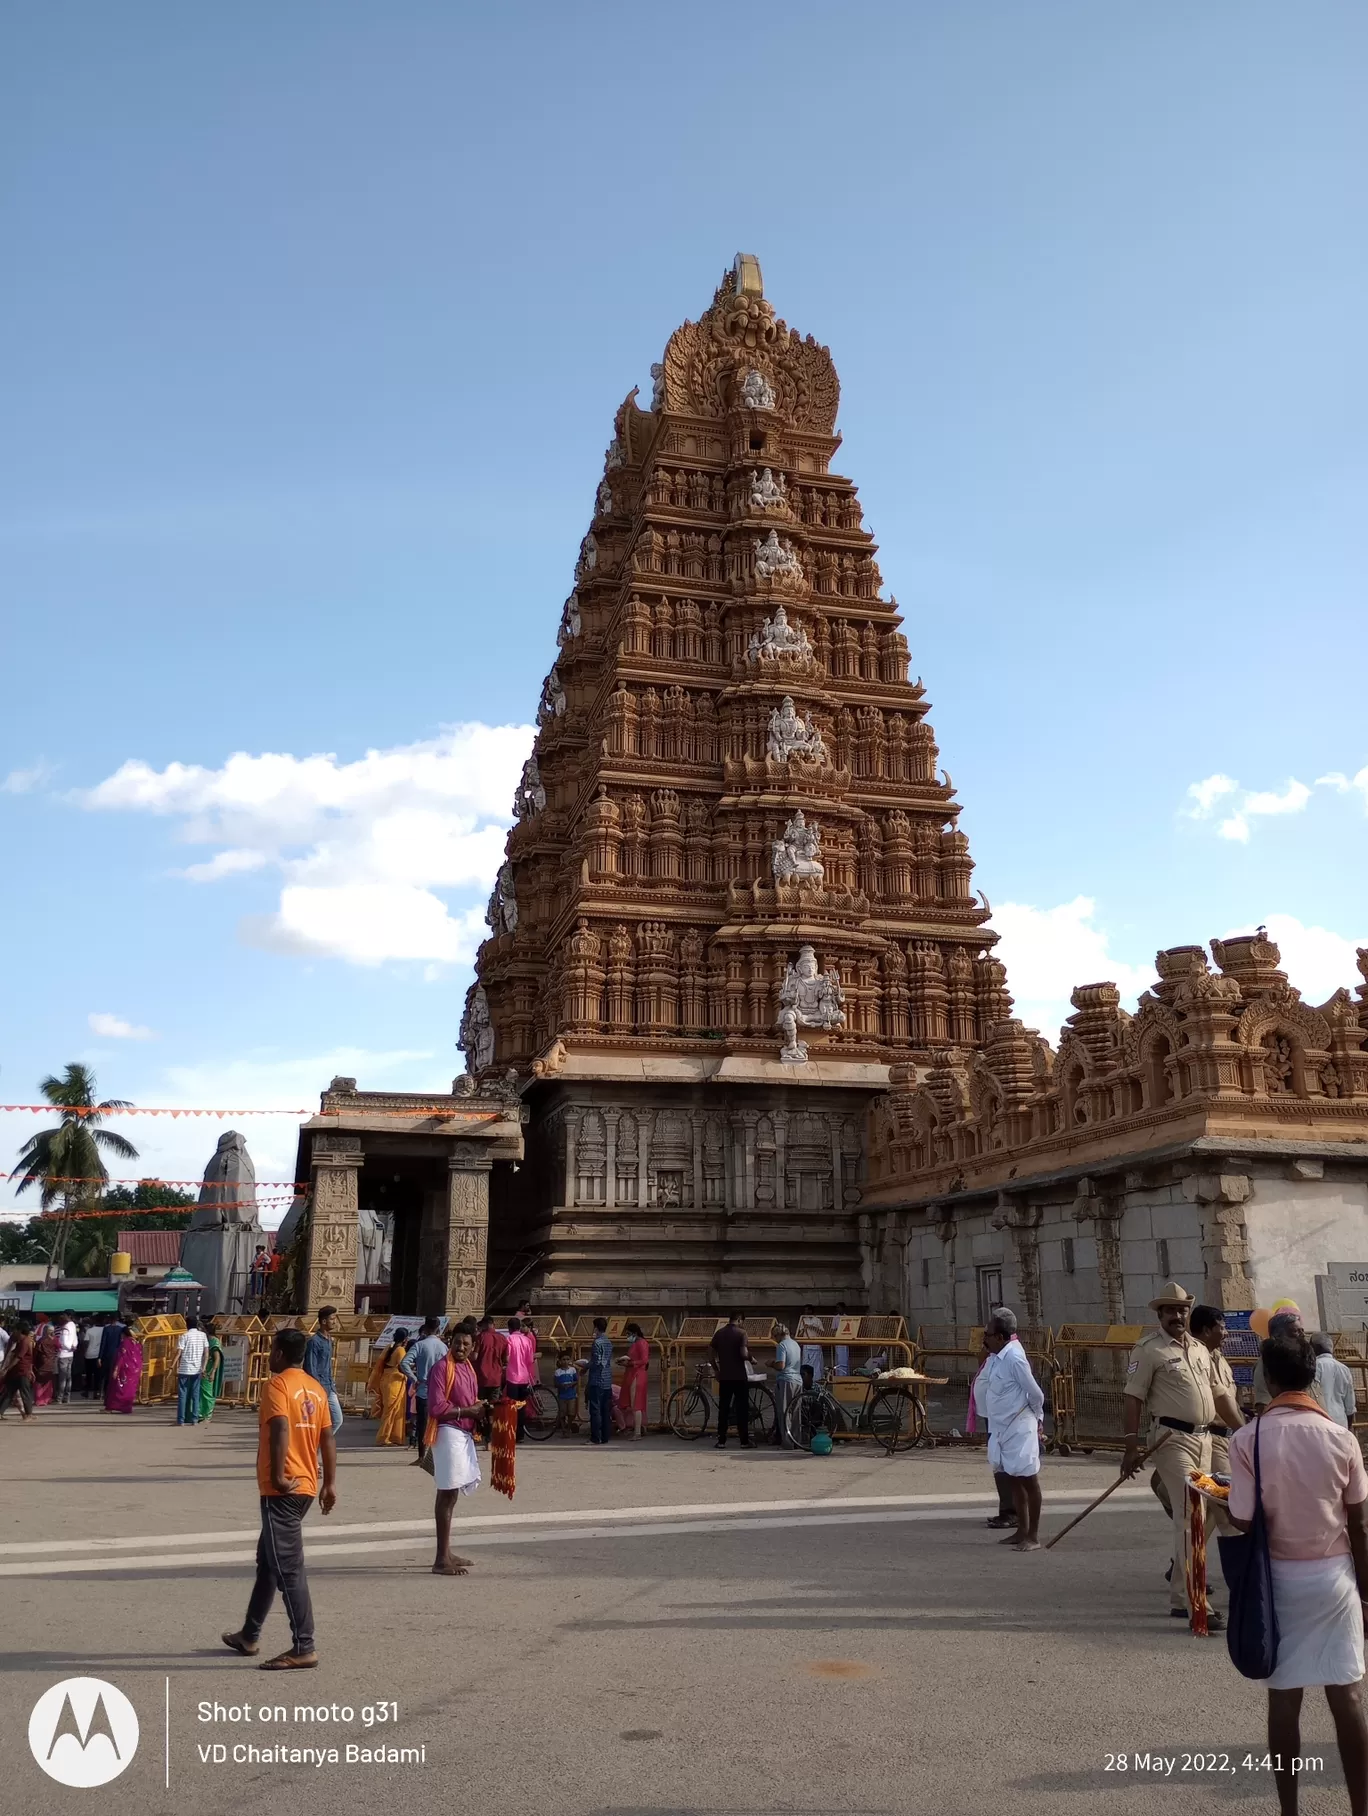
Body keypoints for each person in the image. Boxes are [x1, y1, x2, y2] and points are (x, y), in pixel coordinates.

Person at [1227, 1330, 1368, 1816]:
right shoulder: (1342, 1438)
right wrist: (1366, 1597)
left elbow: (1243, 1519)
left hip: (1277, 1582)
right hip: (1334, 1578)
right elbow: (1361, 1524)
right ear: (1313, 1376)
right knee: (1347, 1696)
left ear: (1267, 1378)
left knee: (1284, 1701)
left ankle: (1290, 1810)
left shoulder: (1248, 1439)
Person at [222, 1326, 336, 1670]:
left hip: (283, 1488)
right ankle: (249, 1634)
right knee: (269, 1561)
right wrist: (330, 1484)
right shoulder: (316, 1390)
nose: (269, 1356)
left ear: (282, 1354)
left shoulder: (277, 1386)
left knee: (288, 1568)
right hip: (306, 1485)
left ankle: (304, 1646)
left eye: (272, 1351)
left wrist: (276, 1476)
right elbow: (327, 1438)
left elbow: (281, 1428)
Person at [1120, 1282, 1224, 1630]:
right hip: (1171, 1439)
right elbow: (1133, 1397)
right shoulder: (1148, 1350)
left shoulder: (1198, 1349)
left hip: (1204, 1440)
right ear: (1159, 1315)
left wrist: (1246, 1430)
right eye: (1171, 1310)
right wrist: (1130, 1446)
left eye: (1182, 1310)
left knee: (1200, 1513)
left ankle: (1181, 1595)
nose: (1177, 1315)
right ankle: (1197, 1603)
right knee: (1192, 1513)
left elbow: (1219, 1396)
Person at [973, 1308, 1046, 1550]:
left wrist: (1036, 1419)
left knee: (1028, 1479)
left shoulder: (1014, 1358)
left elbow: (1035, 1393)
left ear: (1001, 1337)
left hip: (1019, 1424)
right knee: (1012, 1477)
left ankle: (1033, 1536)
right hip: (1001, 1426)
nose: (985, 1338)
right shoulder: (996, 1356)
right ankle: (1021, 1530)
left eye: (988, 1334)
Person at [425, 1321, 485, 1575]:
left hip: (463, 1432)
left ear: (473, 1348)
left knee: (452, 1494)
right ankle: (440, 1559)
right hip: (448, 1432)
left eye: (466, 1344)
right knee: (447, 1493)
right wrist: (468, 1410)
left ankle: (446, 1551)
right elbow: (436, 1408)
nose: (460, 1347)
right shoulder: (441, 1368)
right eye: (457, 1342)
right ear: (450, 1342)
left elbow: (469, 1400)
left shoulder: (468, 1368)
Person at [401, 1317, 448, 1464]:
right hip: (440, 1391)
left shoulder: (420, 1345)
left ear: (425, 1329)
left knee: (422, 1424)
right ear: (439, 1329)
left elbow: (404, 1363)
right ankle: (437, 1456)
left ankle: (422, 1456)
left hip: (423, 1390)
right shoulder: (444, 1347)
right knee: (439, 1424)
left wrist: (414, 1379)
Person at [709, 1313, 752, 1450]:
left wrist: (716, 1370)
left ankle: (721, 1440)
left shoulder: (719, 1333)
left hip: (725, 1376)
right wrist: (751, 1359)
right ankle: (744, 1441)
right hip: (739, 1376)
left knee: (724, 1409)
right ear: (739, 1320)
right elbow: (744, 1354)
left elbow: (710, 1354)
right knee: (742, 1409)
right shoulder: (742, 1333)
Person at [303, 1305, 344, 1436]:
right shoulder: (314, 1342)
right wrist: (316, 1388)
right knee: (316, 1420)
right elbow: (310, 1367)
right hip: (318, 1388)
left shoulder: (329, 1340)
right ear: (324, 1321)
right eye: (332, 1319)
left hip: (329, 1386)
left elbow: (328, 1366)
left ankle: (319, 1445)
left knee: (337, 1420)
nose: (334, 1322)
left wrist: (332, 1385)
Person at [1312, 1333, 1359, 1431]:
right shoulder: (1344, 1369)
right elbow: (1350, 1404)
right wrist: (1348, 1427)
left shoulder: (1313, 1367)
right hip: (1340, 1423)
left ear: (1314, 1348)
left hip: (1318, 1422)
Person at [372, 1330, 410, 1445]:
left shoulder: (389, 1347)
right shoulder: (400, 1350)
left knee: (389, 1410)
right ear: (405, 1339)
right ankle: (383, 1438)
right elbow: (403, 1366)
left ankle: (392, 1437)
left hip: (386, 1380)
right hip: (395, 1382)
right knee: (392, 1411)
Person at [503, 1315, 537, 1440]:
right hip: (524, 1377)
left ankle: (512, 1433)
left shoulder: (509, 1340)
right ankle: (520, 1435)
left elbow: (507, 1358)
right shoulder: (527, 1340)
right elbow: (530, 1360)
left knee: (512, 1407)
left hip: (512, 1376)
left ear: (510, 1328)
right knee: (521, 1406)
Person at [584, 1317, 615, 1444]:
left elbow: (596, 1362)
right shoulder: (608, 1342)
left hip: (597, 1379)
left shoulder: (597, 1343)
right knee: (605, 1410)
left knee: (595, 1410)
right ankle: (605, 1436)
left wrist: (585, 1365)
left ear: (596, 1327)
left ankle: (595, 1437)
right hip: (607, 1379)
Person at [104, 1319, 144, 1415]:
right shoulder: (137, 1344)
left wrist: (116, 1369)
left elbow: (121, 1357)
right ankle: (127, 1407)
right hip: (135, 1370)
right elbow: (140, 1357)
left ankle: (113, 1406)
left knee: (118, 1388)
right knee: (130, 1389)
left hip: (124, 1370)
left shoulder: (125, 1343)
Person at [175, 1315, 209, 1425]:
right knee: (195, 1395)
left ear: (187, 1324)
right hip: (197, 1369)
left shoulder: (184, 1336)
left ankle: (181, 1420)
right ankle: (194, 1419)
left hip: (184, 1369)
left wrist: (172, 1365)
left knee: (182, 1395)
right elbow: (206, 1354)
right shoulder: (203, 1336)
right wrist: (203, 1367)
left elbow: (179, 1353)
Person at [0, 1321, 37, 1421]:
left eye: (15, 1330)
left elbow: (18, 1357)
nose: (13, 1332)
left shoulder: (25, 1341)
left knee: (23, 1393)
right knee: (9, 1393)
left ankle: (28, 1414)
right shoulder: (19, 1341)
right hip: (16, 1371)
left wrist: (7, 1368)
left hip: (22, 1371)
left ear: (20, 1330)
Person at [774, 1322, 802, 1449]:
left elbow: (781, 1365)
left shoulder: (782, 1345)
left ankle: (787, 1443)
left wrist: (771, 1363)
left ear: (778, 1335)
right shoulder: (795, 1344)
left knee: (785, 1412)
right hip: (797, 1380)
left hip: (786, 1380)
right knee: (796, 1412)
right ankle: (797, 1440)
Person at [619, 1322, 650, 1440]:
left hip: (637, 1374)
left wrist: (631, 1363)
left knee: (636, 1403)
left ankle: (637, 1432)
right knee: (633, 1403)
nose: (627, 1336)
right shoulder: (636, 1343)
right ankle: (638, 1429)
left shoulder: (642, 1343)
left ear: (635, 1333)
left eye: (628, 1334)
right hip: (632, 1373)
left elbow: (644, 1360)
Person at [473, 1314, 508, 1404]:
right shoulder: (502, 1338)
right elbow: (506, 1359)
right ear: (493, 1324)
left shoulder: (480, 1337)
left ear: (484, 1325)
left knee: (480, 1406)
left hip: (481, 1377)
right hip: (496, 1378)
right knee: (493, 1406)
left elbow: (474, 1357)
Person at [199, 1318, 225, 1422]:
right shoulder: (207, 1340)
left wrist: (213, 1372)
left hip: (209, 1371)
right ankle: (201, 1413)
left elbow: (217, 1358)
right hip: (204, 1369)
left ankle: (207, 1415)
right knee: (202, 1392)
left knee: (207, 1394)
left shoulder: (214, 1341)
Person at [98, 1311, 127, 1403]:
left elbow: (103, 1343)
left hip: (106, 1355)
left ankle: (104, 1396)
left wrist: (99, 1357)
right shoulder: (120, 1329)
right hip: (116, 1355)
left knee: (105, 1376)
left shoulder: (106, 1329)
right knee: (114, 1376)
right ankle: (113, 1396)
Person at [553, 1348, 580, 1433]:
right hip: (562, 1395)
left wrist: (571, 1384)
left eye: (567, 1359)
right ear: (560, 1361)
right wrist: (561, 1385)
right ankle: (564, 1428)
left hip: (571, 1394)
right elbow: (555, 1384)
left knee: (571, 1413)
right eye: (563, 1359)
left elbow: (576, 1380)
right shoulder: (557, 1372)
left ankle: (568, 1427)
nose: (565, 1361)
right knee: (562, 1412)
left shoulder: (572, 1370)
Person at [33, 1319, 59, 1406]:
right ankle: (47, 1399)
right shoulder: (55, 1340)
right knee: (48, 1381)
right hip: (51, 1363)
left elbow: (36, 1352)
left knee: (39, 1382)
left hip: (41, 1363)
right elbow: (59, 1347)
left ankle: (39, 1399)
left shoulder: (40, 1341)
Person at [54, 1311, 78, 1404]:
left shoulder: (65, 1327)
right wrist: (73, 1347)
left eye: (63, 1315)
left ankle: (59, 1398)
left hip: (63, 1354)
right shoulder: (73, 1325)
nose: (61, 1317)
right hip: (70, 1354)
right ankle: (67, 1397)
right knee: (68, 1377)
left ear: (69, 1316)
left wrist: (68, 1347)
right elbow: (75, 1339)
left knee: (62, 1378)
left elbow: (63, 1342)